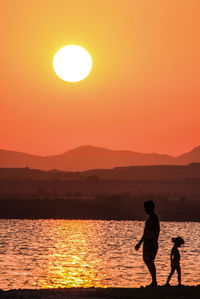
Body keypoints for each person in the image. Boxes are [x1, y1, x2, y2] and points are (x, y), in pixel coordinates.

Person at [135, 200, 160, 287]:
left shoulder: (153, 218)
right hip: (149, 242)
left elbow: (149, 233)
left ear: (150, 208)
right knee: (148, 261)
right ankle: (154, 281)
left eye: (146, 208)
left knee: (149, 261)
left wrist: (140, 243)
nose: (145, 209)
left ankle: (154, 281)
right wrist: (141, 243)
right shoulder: (151, 218)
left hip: (151, 243)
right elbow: (146, 233)